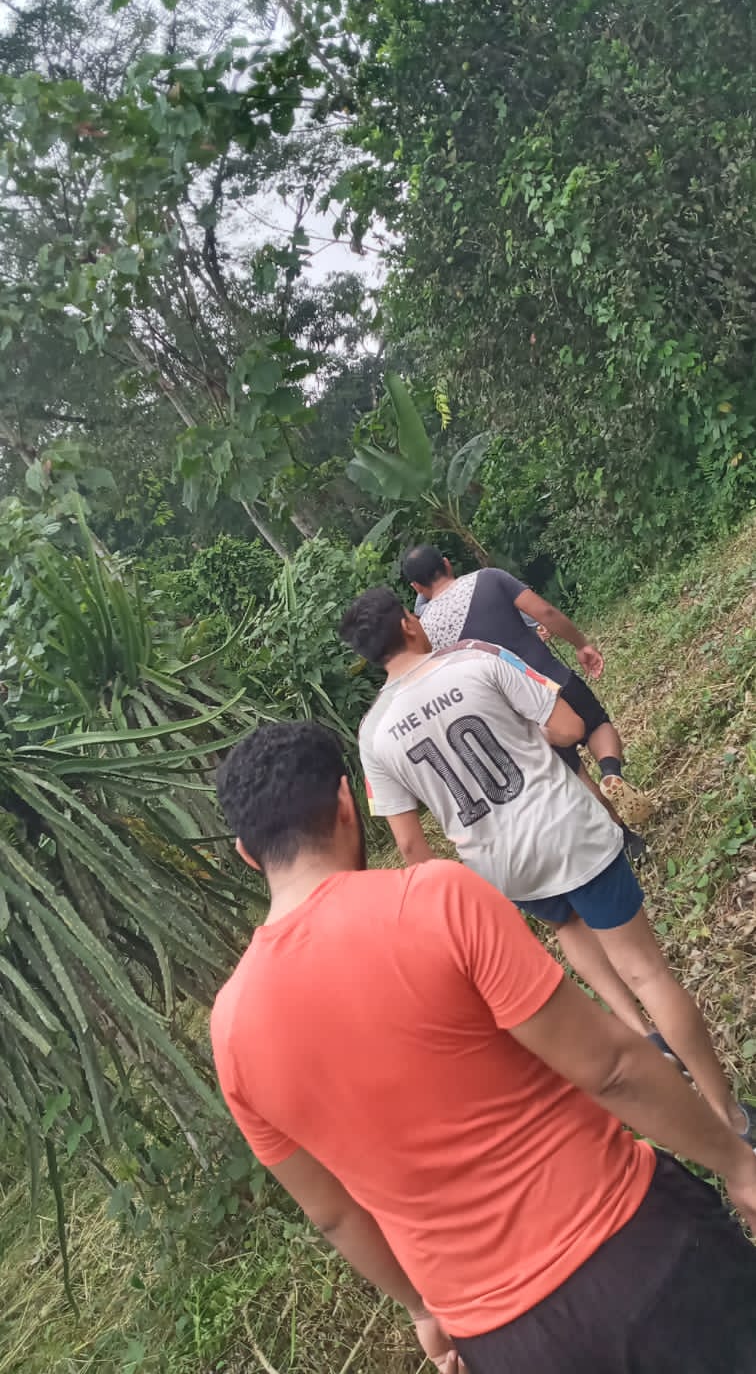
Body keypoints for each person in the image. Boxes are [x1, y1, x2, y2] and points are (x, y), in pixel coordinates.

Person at [211, 719, 756, 1374]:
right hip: (634, 1245)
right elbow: (610, 1068)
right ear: (347, 803)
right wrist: (735, 1161)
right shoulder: (433, 900)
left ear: (248, 854)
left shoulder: (230, 1031)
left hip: (501, 1341)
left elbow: (333, 1214)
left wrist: (423, 1311)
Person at [340, 585, 753, 1139]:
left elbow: (412, 848)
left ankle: (638, 1033)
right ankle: (728, 1117)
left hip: (503, 866)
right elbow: (569, 728)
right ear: (409, 624)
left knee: (568, 925)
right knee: (646, 970)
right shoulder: (478, 657)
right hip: (566, 828)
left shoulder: (372, 735)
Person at [402, 544, 649, 842]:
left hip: (521, 713)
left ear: (417, 587)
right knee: (596, 725)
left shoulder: (426, 634)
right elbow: (545, 612)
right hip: (552, 678)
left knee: (574, 772)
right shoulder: (489, 578)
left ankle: (626, 839)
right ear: (447, 563)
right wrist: (581, 644)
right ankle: (611, 772)